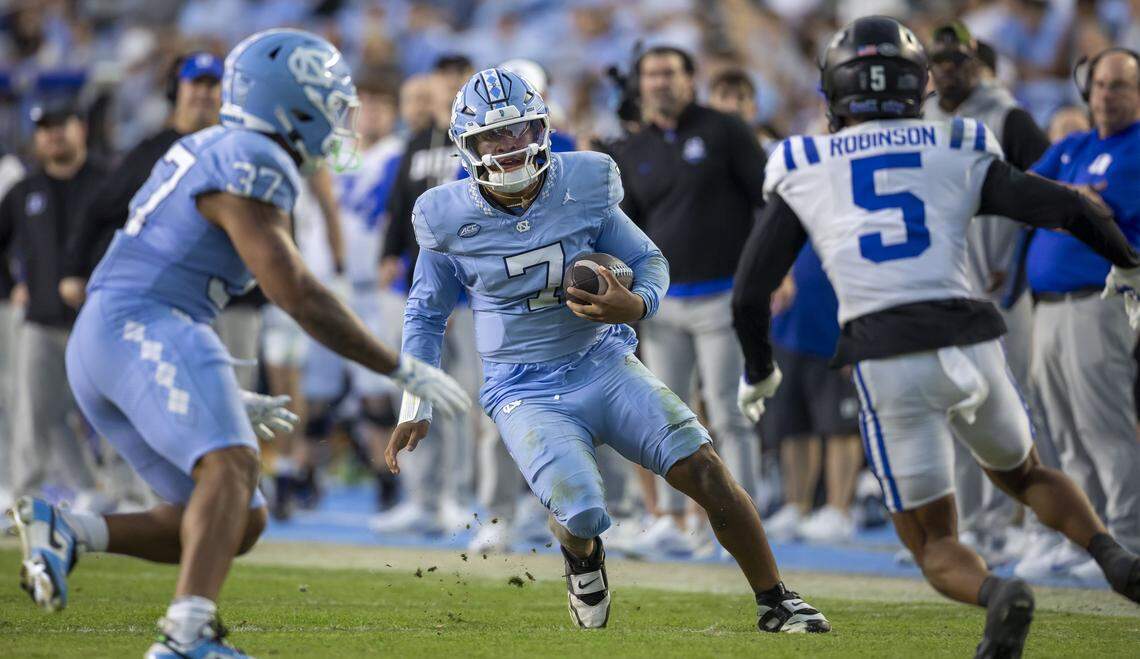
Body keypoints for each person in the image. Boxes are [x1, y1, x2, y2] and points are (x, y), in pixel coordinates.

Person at [9, 29, 469, 658]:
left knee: (237, 516)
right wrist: (397, 366)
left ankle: (66, 531)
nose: (337, 119)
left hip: (117, 333)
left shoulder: (211, 144)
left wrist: (211, 383)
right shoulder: (253, 157)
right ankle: (186, 636)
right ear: (290, 104)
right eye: (326, 103)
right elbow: (296, 291)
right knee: (233, 463)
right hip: (144, 323)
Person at [731, 16, 1140, 657]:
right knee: (1027, 473)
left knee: (932, 542)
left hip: (888, 355)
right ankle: (1113, 556)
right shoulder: (958, 141)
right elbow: (1068, 206)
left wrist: (759, 371)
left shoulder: (802, 159)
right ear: (917, 84)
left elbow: (751, 292)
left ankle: (1000, 595)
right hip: (975, 341)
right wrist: (1127, 261)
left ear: (833, 92)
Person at [387, 67, 829, 634]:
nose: (509, 146)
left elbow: (650, 262)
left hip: (604, 361)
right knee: (582, 508)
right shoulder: (445, 215)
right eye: (493, 137)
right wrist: (414, 403)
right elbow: (425, 313)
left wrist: (637, 305)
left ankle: (777, 600)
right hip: (523, 386)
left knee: (705, 468)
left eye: (520, 130)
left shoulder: (584, 181)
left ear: (541, 129)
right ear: (467, 147)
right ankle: (582, 557)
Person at [611, 46, 767, 555]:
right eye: (651, 74)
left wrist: (769, 274)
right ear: (640, 85)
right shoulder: (633, 151)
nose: (659, 83)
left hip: (724, 294)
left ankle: (740, 521)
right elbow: (626, 233)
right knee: (665, 416)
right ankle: (674, 520)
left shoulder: (725, 130)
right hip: (663, 302)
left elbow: (768, 200)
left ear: (690, 78)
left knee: (728, 413)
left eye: (669, 73)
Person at [923, 22, 1054, 565]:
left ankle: (1023, 525)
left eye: (958, 61)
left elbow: (1048, 200)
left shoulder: (1010, 118)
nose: (950, 70)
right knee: (956, 406)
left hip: (1003, 288)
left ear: (978, 63)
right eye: (942, 62)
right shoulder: (923, 117)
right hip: (944, 288)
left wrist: (1018, 265)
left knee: (1020, 405)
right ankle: (974, 524)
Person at [1023, 47, 1140, 581]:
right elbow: (1024, 194)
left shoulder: (1136, 148)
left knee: (1104, 428)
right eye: (1098, 86)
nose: (1105, 96)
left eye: (1118, 86)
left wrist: (1069, 203)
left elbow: (1100, 211)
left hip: (1100, 302)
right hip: (1046, 307)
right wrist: (1071, 200)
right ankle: (1090, 539)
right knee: (1062, 433)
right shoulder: (1073, 145)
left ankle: (1129, 539)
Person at [0, 98, 107, 504]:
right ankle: (24, 497)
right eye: (45, 128)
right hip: (41, 321)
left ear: (80, 128)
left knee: (111, 410)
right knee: (33, 412)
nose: (53, 135)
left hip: (98, 322)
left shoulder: (106, 183)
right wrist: (11, 284)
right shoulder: (26, 190)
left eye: (61, 125)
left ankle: (121, 494)